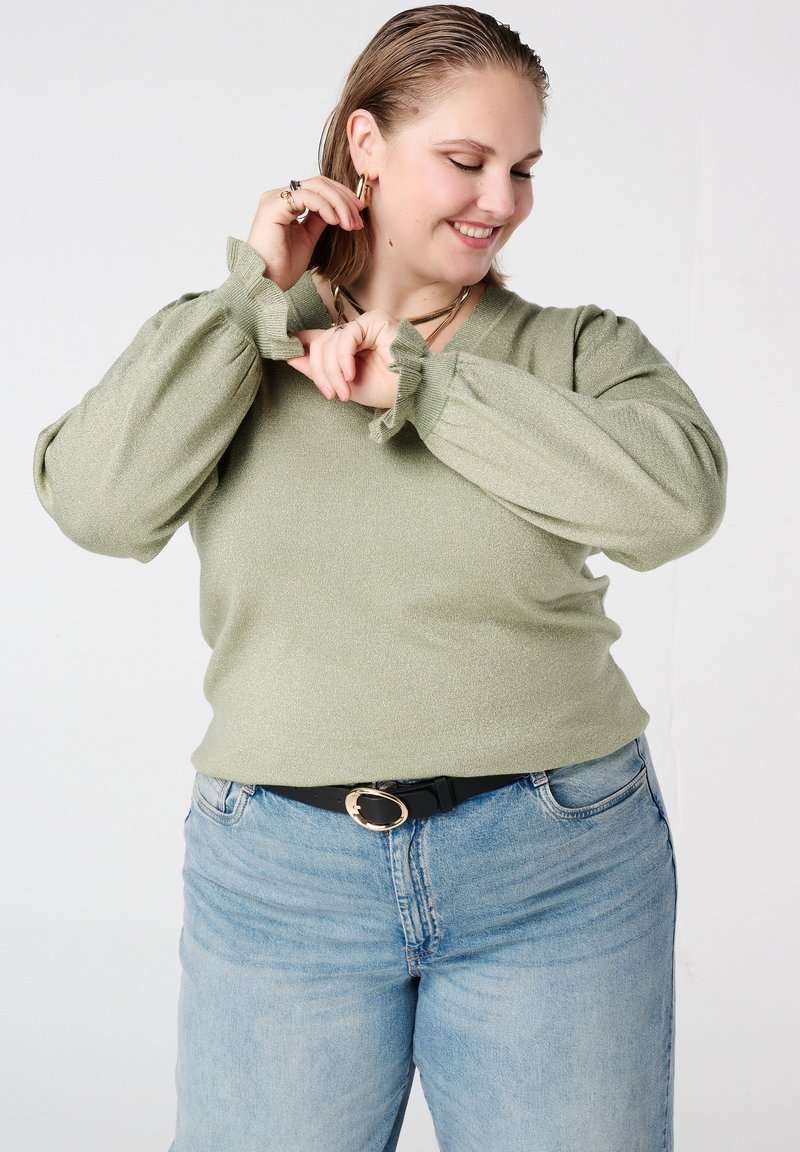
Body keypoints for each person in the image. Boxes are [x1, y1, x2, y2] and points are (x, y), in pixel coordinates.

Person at [33, 5, 726, 1150]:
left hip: (555, 866)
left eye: (522, 169)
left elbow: (677, 503)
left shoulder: (572, 351)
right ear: (364, 143)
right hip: (280, 883)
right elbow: (97, 505)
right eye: (465, 160)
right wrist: (248, 298)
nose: (500, 201)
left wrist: (423, 388)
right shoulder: (233, 350)